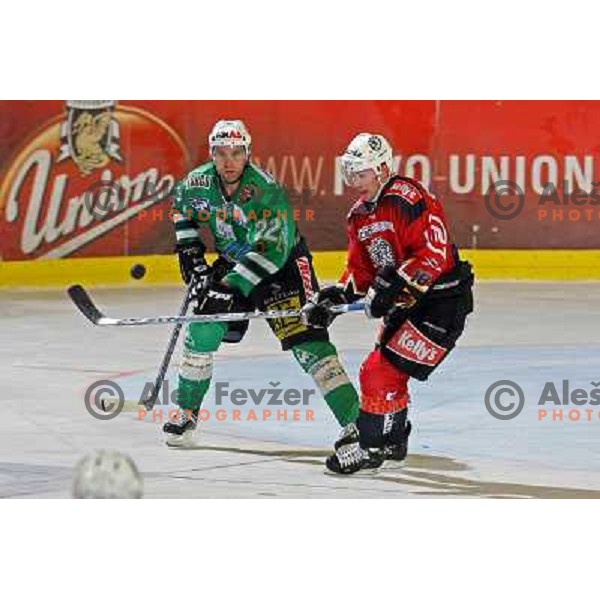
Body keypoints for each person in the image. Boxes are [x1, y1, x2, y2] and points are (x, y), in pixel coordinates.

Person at [163, 119, 359, 455]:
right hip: (236, 261)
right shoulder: (197, 183)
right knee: (202, 328)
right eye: (221, 153)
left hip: (282, 269)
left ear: (248, 154)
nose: (228, 161)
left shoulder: (265, 190)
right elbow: (182, 208)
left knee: (308, 343)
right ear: (212, 153)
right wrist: (190, 251)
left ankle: (357, 424)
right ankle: (186, 412)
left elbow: (272, 250)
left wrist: (230, 286)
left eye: (236, 153)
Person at [302, 133, 474, 474]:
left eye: (360, 173)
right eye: (350, 174)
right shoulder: (359, 216)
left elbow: (434, 255)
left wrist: (393, 284)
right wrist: (335, 297)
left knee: (378, 371)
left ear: (381, 169)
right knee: (386, 373)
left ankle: (371, 447)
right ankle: (392, 440)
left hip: (442, 302)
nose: (354, 182)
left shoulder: (407, 198)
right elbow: (361, 272)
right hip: (408, 305)